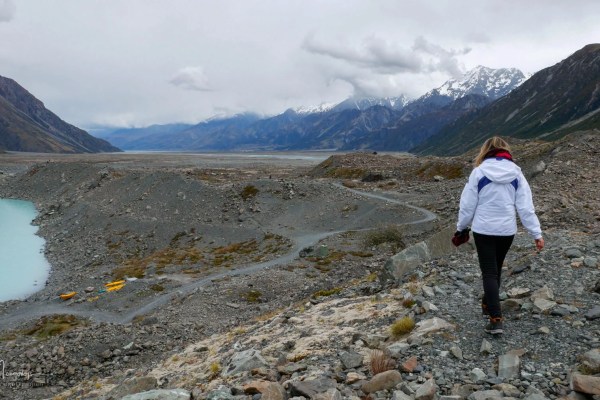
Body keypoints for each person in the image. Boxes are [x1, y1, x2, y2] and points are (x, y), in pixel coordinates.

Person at [456, 136, 544, 335]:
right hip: (506, 231)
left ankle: (496, 319)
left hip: (483, 229)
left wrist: (461, 228)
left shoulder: (478, 172)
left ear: (485, 151)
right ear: (506, 151)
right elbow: (525, 207)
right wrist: (536, 233)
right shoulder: (516, 174)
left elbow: (467, 206)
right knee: (495, 269)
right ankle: (488, 304)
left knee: (489, 272)